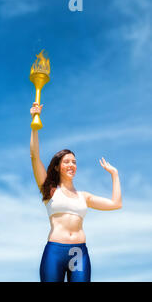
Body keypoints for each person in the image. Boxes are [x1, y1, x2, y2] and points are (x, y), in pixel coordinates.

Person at [29, 102, 123, 282]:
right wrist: (34, 123)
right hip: (55, 251)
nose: (71, 165)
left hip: (79, 252)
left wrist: (115, 174)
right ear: (57, 167)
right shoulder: (50, 190)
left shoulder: (84, 196)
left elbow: (116, 204)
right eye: (66, 162)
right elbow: (34, 156)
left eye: (74, 162)